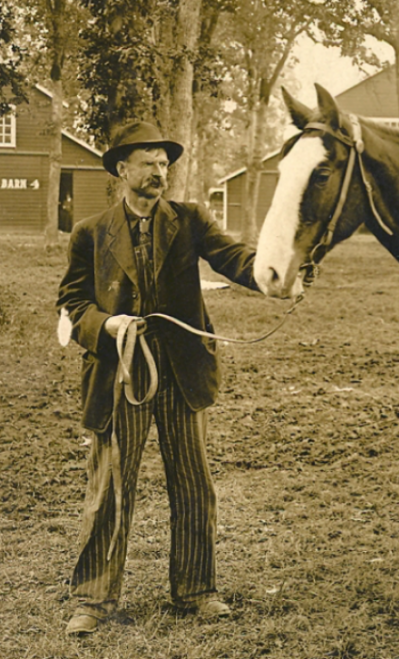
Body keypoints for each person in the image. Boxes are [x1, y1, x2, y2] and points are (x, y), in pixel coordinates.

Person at [57, 122, 258, 635]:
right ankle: (94, 600)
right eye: (148, 162)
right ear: (122, 169)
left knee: (194, 483)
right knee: (110, 486)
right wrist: (108, 325)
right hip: (119, 374)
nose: (159, 172)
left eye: (164, 163)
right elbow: (72, 305)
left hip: (182, 373)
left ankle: (196, 590)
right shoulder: (91, 233)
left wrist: (277, 271)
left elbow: (235, 259)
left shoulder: (189, 221)